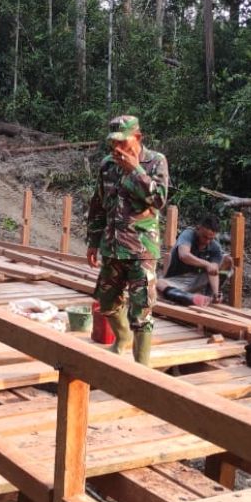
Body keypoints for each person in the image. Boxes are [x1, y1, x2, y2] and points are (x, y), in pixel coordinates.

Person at [86, 115, 169, 366]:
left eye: (123, 142)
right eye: (113, 142)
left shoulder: (155, 162)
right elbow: (98, 204)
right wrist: (93, 240)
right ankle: (121, 338)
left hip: (141, 248)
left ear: (138, 138)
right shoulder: (107, 165)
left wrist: (136, 170)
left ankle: (141, 369)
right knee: (107, 301)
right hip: (112, 246)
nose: (117, 148)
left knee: (141, 310)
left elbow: (159, 200)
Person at [157, 214, 230, 305]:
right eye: (204, 237)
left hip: (195, 280)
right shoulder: (188, 234)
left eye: (210, 239)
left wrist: (216, 293)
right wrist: (207, 264)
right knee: (158, 284)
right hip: (176, 280)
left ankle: (209, 297)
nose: (207, 241)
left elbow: (213, 271)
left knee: (227, 261)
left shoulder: (215, 247)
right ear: (198, 228)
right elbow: (184, 255)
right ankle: (188, 297)